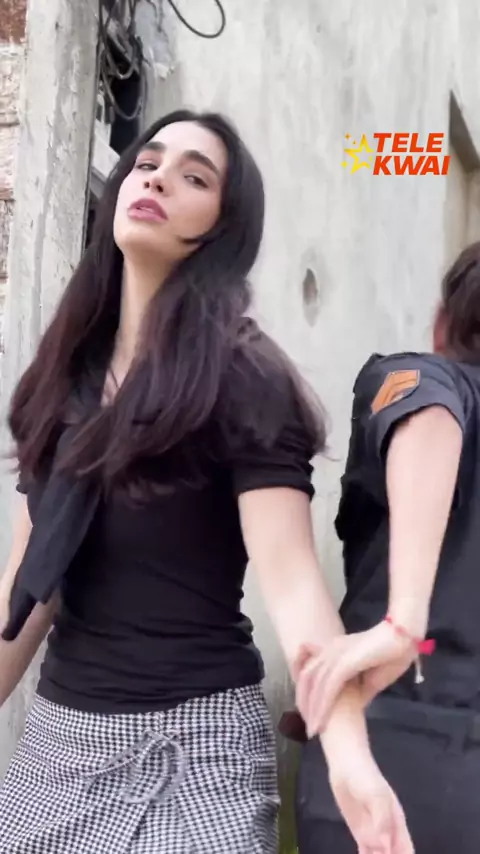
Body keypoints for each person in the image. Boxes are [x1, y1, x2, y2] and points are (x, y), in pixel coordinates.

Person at [0, 110, 411, 854]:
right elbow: (26, 591)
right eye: (147, 163)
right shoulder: (66, 377)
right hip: (60, 747)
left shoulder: (244, 376)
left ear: (223, 227)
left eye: (194, 177)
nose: (157, 178)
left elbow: (295, 588)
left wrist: (349, 756)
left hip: (198, 750)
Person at [295, 241, 480, 853]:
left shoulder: (426, 379)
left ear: (442, 324)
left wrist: (403, 623)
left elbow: (427, 404)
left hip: (395, 746)